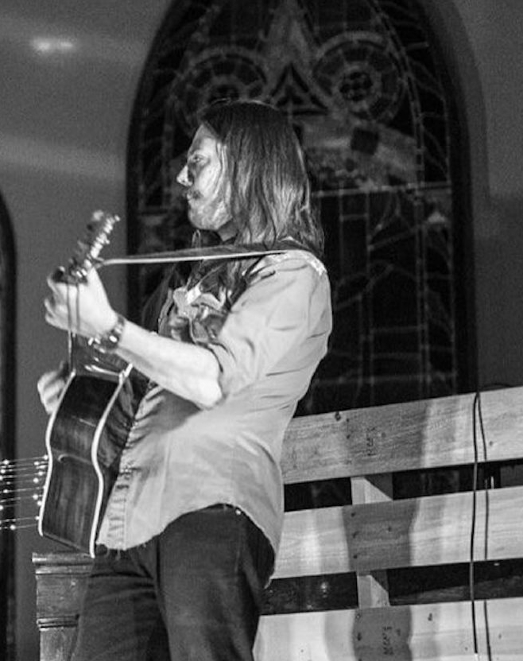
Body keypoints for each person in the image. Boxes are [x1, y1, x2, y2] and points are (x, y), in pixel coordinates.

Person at [40, 99, 333, 660]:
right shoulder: (192, 280)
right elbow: (147, 396)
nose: (181, 177)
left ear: (246, 167)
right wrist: (80, 402)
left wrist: (109, 326)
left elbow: (213, 380)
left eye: (197, 162)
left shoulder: (295, 273)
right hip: (127, 522)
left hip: (212, 507)